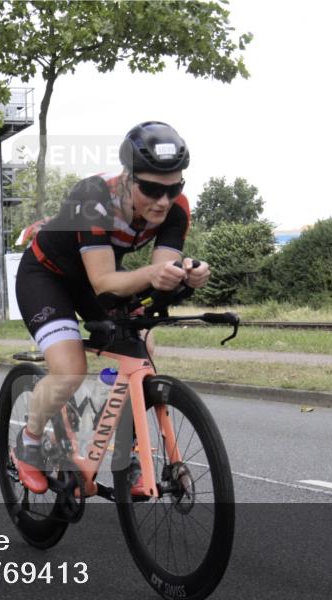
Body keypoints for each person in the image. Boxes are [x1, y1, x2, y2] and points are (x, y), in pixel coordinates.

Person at [13, 121, 211, 493]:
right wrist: (156, 274)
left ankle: (128, 451)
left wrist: (185, 274)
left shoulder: (176, 210)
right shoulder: (94, 198)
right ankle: (28, 443)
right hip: (47, 276)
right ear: (126, 177)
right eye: (151, 189)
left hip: (95, 277)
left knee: (143, 347)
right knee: (70, 371)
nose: (163, 201)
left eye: (173, 189)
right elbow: (105, 282)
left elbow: (160, 271)